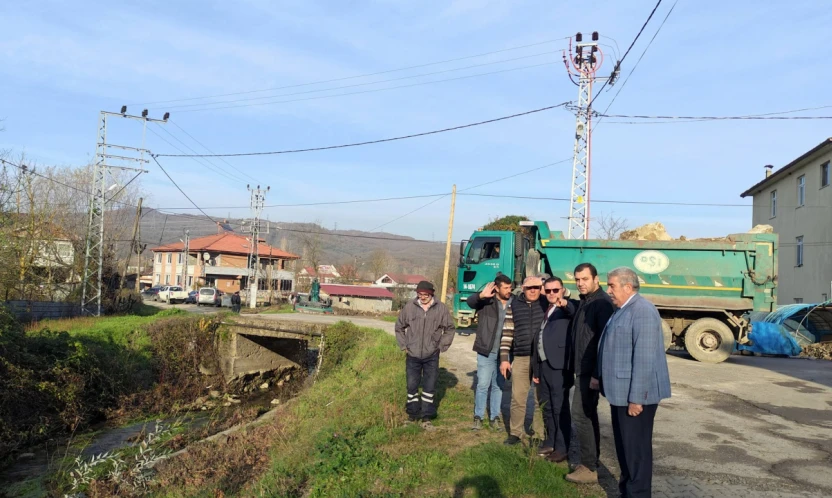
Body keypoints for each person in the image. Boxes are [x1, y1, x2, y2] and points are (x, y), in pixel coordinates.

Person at [596, 267, 671, 498]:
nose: (608, 290)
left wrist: (637, 399)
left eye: (612, 286)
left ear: (628, 287)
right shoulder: (622, 308)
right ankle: (627, 491)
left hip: (636, 397)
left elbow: (644, 358)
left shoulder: (643, 311)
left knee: (636, 452)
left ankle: (637, 493)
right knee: (625, 450)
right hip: (620, 393)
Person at [566, 263, 615, 484]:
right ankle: (590, 462)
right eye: (577, 279)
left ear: (596, 279)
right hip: (582, 369)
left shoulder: (601, 303)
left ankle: (588, 467)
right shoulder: (586, 302)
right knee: (587, 414)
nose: (580, 283)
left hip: (589, 372)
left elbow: (604, 342)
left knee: (580, 415)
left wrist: (597, 373)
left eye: (584, 279)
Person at [395, 280, 456, 429]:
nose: (422, 297)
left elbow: (449, 328)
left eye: (425, 295)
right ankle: (412, 415)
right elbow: (399, 327)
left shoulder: (441, 309)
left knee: (429, 386)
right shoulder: (410, 307)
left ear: (431, 294)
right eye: (420, 294)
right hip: (413, 354)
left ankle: (426, 417)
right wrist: (404, 346)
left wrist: (441, 346)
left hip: (431, 354)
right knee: (412, 385)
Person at [499, 276, 547, 445]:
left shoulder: (546, 303)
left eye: (536, 287)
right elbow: (507, 332)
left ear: (541, 288)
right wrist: (504, 358)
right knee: (518, 397)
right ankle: (516, 433)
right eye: (529, 288)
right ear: (523, 289)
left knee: (539, 397)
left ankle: (538, 434)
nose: (533, 290)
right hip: (521, 357)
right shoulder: (515, 306)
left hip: (542, 359)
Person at [531, 277, 575, 462]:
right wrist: (537, 370)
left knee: (560, 408)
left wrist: (564, 303)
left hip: (559, 366)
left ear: (562, 290)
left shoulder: (566, 308)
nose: (551, 294)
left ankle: (562, 447)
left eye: (555, 290)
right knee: (547, 407)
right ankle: (550, 441)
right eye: (547, 291)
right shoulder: (547, 308)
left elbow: (573, 309)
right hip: (544, 365)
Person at [466, 274, 513, 431]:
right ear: (497, 288)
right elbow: (470, 302)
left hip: (505, 354)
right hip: (486, 350)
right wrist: (481, 295)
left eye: (510, 287)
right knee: (483, 385)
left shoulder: (514, 302)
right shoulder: (486, 302)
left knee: (498, 385)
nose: (509, 290)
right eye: (505, 288)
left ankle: (494, 417)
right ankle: (478, 416)